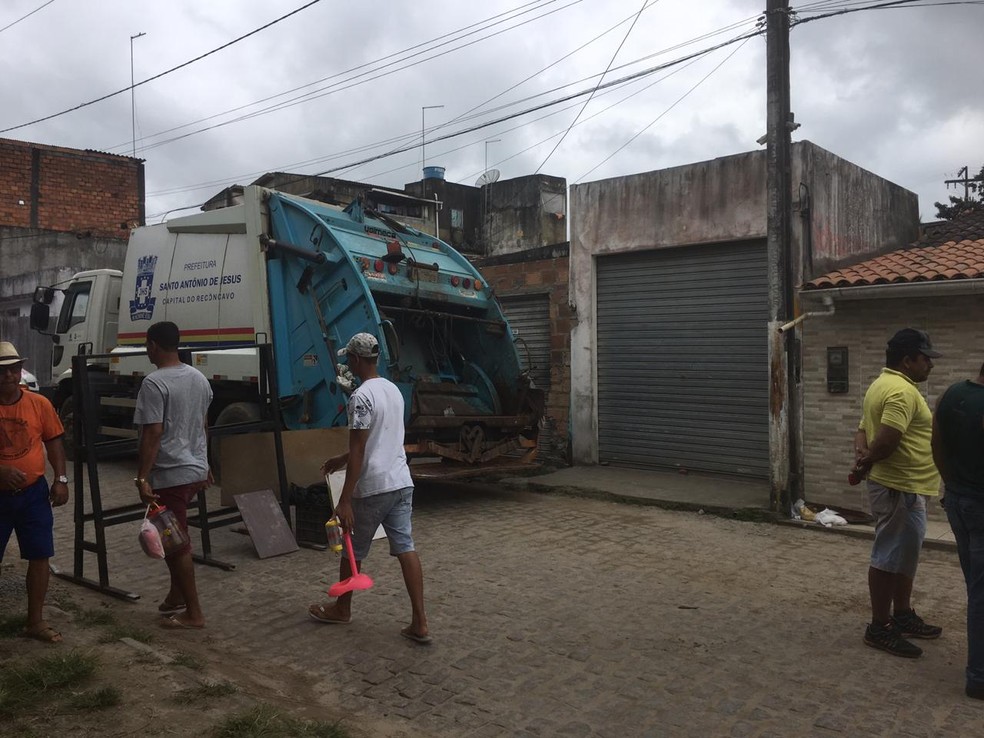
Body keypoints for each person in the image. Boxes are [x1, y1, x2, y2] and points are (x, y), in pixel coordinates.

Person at [308, 332, 430, 644]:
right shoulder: (393, 391)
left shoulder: (360, 398)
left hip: (375, 487)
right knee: (406, 547)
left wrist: (345, 500)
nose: (347, 362)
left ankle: (342, 609)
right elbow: (380, 440)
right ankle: (420, 621)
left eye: (349, 357)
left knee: (352, 551)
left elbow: (362, 450)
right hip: (401, 482)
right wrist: (342, 457)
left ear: (357, 360)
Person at [852, 328, 943, 658]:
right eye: (926, 359)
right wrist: (868, 461)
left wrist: (862, 457)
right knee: (888, 555)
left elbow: (862, 429)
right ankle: (880, 626)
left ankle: (901, 614)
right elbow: (887, 440)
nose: (930, 365)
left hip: (908, 486)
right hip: (898, 487)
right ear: (907, 360)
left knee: (904, 554)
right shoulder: (901, 391)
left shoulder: (881, 384)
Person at [134, 322, 213, 629]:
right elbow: (203, 424)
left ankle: (194, 613)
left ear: (153, 345)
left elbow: (153, 432)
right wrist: (206, 464)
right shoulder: (199, 378)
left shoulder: (154, 383)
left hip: (171, 473)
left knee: (175, 542)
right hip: (193, 469)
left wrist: (142, 478)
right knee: (174, 535)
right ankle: (175, 597)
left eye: (146, 344)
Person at [0, 341, 69, 643]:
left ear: (20, 371)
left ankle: (35, 622)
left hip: (33, 495)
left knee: (40, 556)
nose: (8, 376)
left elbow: (54, 441)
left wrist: (61, 479)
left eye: (13, 370)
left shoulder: (39, 404)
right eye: (1, 371)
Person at [932, 362, 984, 699]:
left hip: (958, 502)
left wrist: (951, 485)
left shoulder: (951, 395)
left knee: (976, 586)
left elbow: (936, 444)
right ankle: (979, 677)